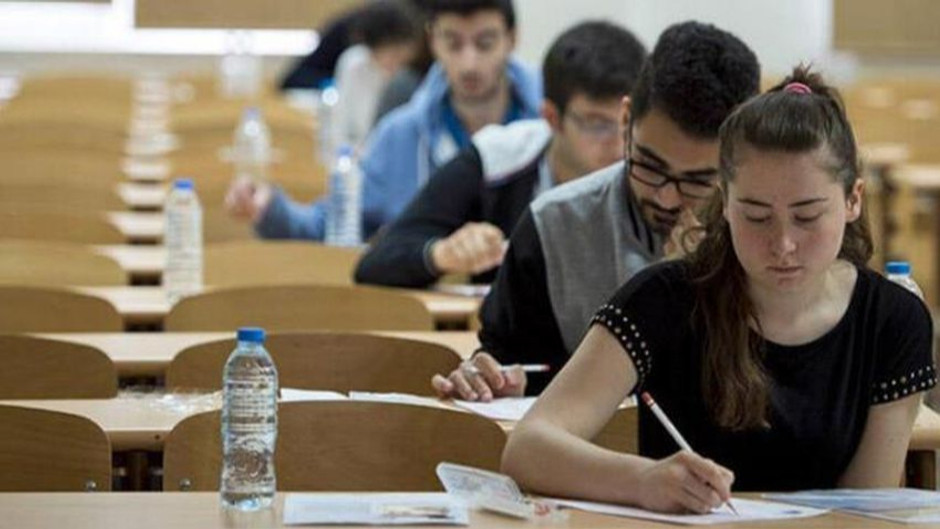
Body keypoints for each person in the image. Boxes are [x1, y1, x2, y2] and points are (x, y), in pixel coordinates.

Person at [501, 66, 936, 512]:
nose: (783, 244)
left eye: (807, 216)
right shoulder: (663, 300)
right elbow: (528, 448)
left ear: (853, 200)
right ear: (724, 202)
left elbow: (865, 506)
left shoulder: (894, 320)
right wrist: (643, 480)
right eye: (756, 216)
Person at [432, 21, 760, 400]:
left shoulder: (777, 239)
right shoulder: (554, 226)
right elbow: (515, 363)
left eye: (698, 181)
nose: (667, 198)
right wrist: (489, 378)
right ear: (626, 120)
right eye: (650, 166)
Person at [354, 21, 647, 288]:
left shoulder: (655, 173)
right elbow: (377, 262)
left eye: (629, 122)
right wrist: (443, 253)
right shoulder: (497, 158)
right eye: (597, 125)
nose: (619, 143)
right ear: (551, 117)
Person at [226, 0, 541, 241]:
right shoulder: (401, 134)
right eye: (453, 44)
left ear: (512, 39)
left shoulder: (550, 124)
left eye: (485, 44)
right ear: (432, 41)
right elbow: (335, 225)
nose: (469, 62)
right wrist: (270, 209)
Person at [331, 0, 422, 149]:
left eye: (400, 53)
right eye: (390, 54)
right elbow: (339, 128)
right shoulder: (354, 64)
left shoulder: (413, 76)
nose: (394, 62)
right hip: (361, 154)